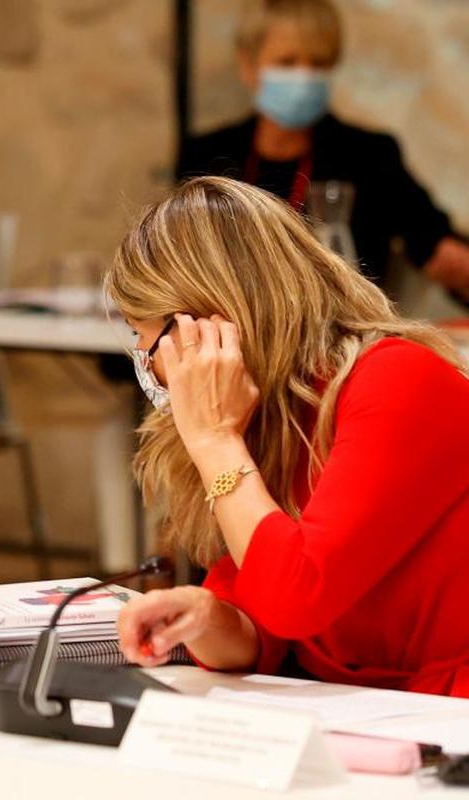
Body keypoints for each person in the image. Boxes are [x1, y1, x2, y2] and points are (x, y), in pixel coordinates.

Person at [109, 176, 469, 697]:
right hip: (356, 709)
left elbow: (294, 597)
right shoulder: (272, 408)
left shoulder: (398, 379)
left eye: (147, 339)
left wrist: (214, 441)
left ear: (209, 325)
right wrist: (208, 617)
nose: (147, 365)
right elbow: (263, 626)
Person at [177, 0, 469, 299]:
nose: (304, 77)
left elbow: (434, 247)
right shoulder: (207, 155)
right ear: (248, 66)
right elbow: (181, 260)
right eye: (287, 62)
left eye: (318, 63)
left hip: (343, 331)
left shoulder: (368, 155)